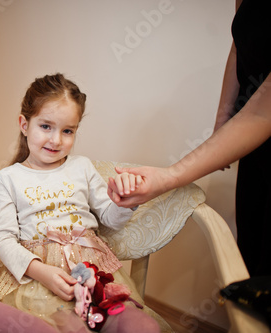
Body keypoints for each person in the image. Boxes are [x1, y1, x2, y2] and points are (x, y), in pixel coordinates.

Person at [108, 0, 271, 277]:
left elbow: (260, 114)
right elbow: (238, 45)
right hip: (256, 152)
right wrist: (223, 120)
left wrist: (168, 176)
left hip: (258, 124)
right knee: (252, 251)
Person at [0, 73, 160, 332]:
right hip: (39, 277)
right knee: (68, 327)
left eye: (67, 131)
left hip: (93, 271)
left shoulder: (82, 167)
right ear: (24, 124)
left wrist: (124, 202)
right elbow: (4, 240)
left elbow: (111, 218)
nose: (56, 140)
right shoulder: (9, 178)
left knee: (140, 325)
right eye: (46, 126)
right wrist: (41, 271)